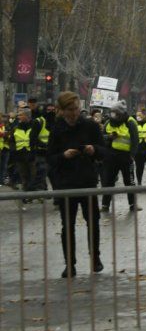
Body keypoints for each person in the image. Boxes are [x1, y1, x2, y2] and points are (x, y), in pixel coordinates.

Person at [46, 91, 104, 278]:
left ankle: (95, 258)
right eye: (70, 110)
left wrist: (93, 150)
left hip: (87, 180)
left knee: (93, 221)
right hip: (66, 183)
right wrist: (63, 155)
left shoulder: (90, 126)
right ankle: (70, 264)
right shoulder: (56, 129)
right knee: (67, 225)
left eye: (76, 109)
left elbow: (104, 151)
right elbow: (50, 158)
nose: (74, 113)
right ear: (62, 111)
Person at [101, 102, 139, 212]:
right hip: (111, 156)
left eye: (116, 113)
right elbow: (101, 137)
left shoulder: (130, 122)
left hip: (126, 157)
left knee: (129, 181)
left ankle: (133, 204)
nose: (114, 115)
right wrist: (109, 137)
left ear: (121, 113)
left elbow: (135, 140)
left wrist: (132, 155)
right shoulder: (108, 122)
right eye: (113, 112)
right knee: (108, 181)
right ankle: (105, 205)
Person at [10, 108, 41, 200]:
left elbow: (36, 140)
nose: (19, 117)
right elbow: (12, 141)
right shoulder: (16, 127)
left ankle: (33, 194)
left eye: (21, 115)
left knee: (33, 175)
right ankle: (27, 195)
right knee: (24, 177)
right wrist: (14, 151)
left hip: (31, 155)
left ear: (27, 116)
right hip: (20, 156)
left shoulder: (34, 126)